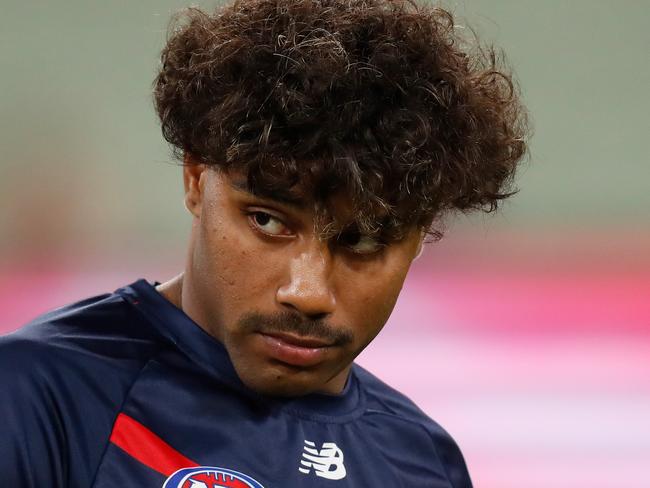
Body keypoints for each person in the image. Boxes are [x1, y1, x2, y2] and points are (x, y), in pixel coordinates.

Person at [0, 0, 527, 486]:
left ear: (420, 237)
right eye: (268, 221)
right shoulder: (35, 399)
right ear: (195, 176)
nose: (308, 293)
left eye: (362, 240)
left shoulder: (423, 466)